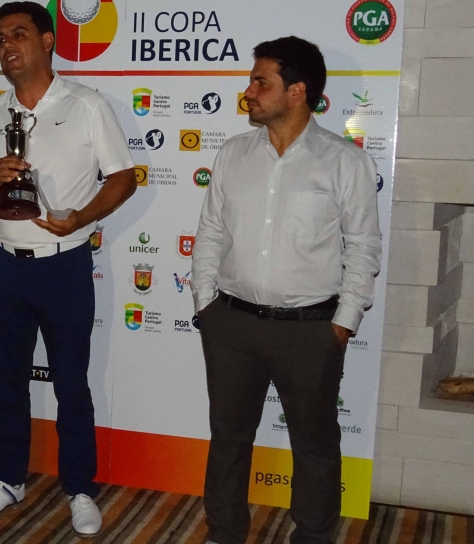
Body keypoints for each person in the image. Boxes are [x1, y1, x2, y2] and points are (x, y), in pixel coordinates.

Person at [191, 36, 382, 544]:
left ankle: (314, 536)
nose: (248, 90)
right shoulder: (233, 153)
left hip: (309, 331)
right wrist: (205, 307)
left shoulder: (344, 162)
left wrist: (342, 324)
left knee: (315, 444)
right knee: (229, 440)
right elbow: (211, 232)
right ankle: (225, 531)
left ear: (296, 91)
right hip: (230, 323)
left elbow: (363, 248)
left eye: (260, 81)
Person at [0, 2, 136, 537]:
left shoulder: (85, 105)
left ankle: (79, 487)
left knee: (71, 385)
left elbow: (123, 178)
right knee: (6, 382)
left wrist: (82, 216)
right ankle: (8, 478)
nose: (7, 45)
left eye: (18, 34)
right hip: (4, 266)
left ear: (47, 40)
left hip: (65, 266)